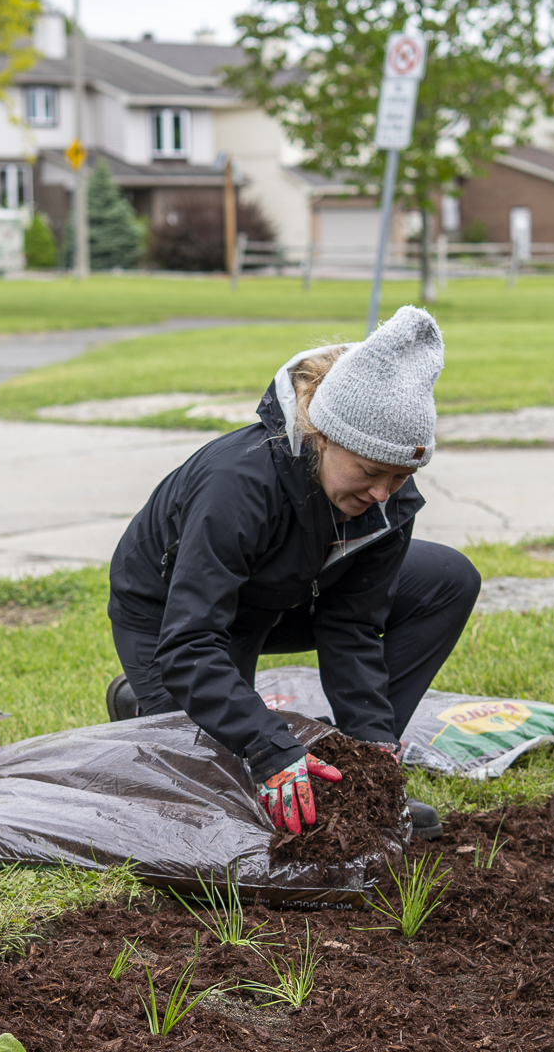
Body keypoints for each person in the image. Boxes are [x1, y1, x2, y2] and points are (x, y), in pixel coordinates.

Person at [106, 306, 480, 839]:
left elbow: (351, 625)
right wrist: (266, 746)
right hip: (175, 620)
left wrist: (371, 744)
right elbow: (192, 640)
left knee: (448, 577)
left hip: (284, 595)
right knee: (222, 801)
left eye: (400, 477)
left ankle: (344, 764)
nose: (381, 494)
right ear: (322, 435)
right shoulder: (237, 485)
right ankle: (145, 700)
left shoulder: (386, 503)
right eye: (370, 471)